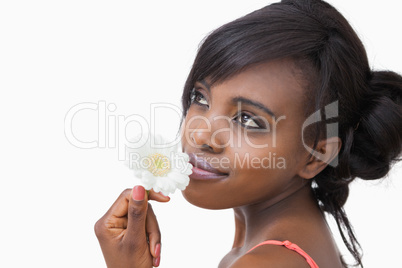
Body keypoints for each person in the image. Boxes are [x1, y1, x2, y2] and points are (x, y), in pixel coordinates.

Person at [94, 0, 402, 267]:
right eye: (200, 98)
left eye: (248, 120)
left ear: (317, 154)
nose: (201, 136)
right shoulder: (296, 243)